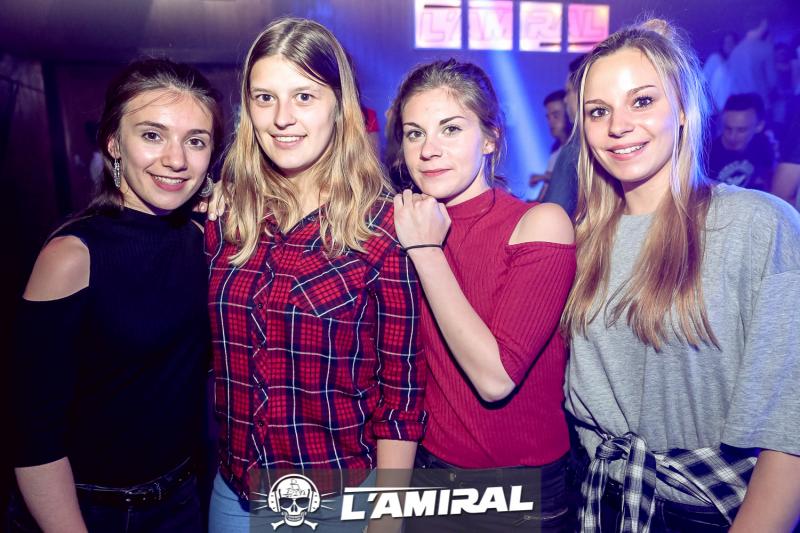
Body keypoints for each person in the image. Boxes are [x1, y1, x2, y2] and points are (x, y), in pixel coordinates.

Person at [562, 19, 800, 532]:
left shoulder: (760, 225)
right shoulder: (579, 240)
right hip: (603, 502)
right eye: (598, 111)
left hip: (715, 512)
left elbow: (790, 426)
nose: (618, 126)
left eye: (643, 101)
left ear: (686, 110)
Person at [204, 17, 426, 532]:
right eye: (265, 98)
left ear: (339, 107)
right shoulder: (226, 218)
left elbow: (401, 396)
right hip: (233, 494)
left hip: (335, 501)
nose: (282, 118)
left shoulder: (384, 229)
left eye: (304, 96)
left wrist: (386, 521)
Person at [9, 58, 224, 532]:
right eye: (152, 135)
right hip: (89, 509)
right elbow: (34, 437)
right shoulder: (72, 255)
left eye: (195, 141)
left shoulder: (203, 239)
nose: (176, 159)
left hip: (182, 501)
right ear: (113, 143)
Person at [389, 59, 577, 532]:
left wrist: (426, 251)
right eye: (414, 134)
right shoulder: (398, 224)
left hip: (517, 490)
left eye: (451, 129)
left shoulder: (539, 223)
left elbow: (496, 378)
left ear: (490, 138)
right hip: (426, 474)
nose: (428, 150)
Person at [542, 54, 586, 217]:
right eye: (548, 117)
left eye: (568, 92)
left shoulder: (574, 148)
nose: (565, 100)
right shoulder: (563, 150)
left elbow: (554, 211)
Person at [708, 92, 776, 191]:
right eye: (728, 128)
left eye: (741, 130)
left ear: (759, 126)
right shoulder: (707, 153)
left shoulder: (763, 145)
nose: (732, 137)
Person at [529, 89, 572, 199]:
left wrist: (544, 177)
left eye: (556, 116)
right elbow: (544, 194)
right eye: (548, 117)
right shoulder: (555, 153)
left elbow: (573, 180)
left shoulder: (579, 149)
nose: (550, 122)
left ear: (570, 113)